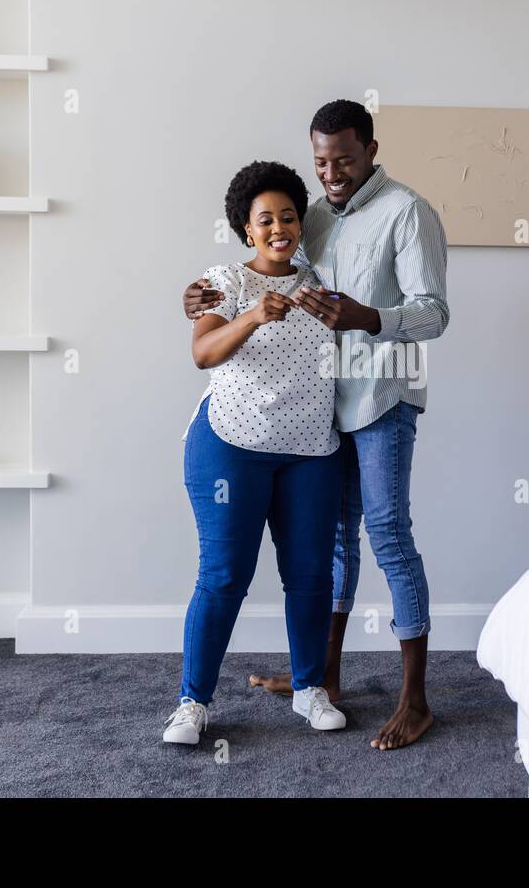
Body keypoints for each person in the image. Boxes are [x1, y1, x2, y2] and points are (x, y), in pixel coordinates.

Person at [183, 101, 449, 750]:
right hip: (321, 414)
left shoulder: (407, 212)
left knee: (387, 531)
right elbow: (248, 273)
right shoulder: (316, 217)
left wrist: (368, 317)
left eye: (345, 160)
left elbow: (434, 313)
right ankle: (318, 678)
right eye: (321, 162)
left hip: (383, 396)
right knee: (333, 545)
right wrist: (196, 298)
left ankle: (415, 697)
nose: (331, 173)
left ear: (371, 149)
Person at [163, 160, 347, 745]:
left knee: (312, 575)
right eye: (264, 219)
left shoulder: (322, 280)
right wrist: (250, 315)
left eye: (288, 217)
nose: (278, 228)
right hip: (230, 447)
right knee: (223, 576)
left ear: (301, 224)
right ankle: (193, 703)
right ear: (246, 230)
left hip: (311, 450)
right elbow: (203, 353)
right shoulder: (226, 280)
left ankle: (310, 689)